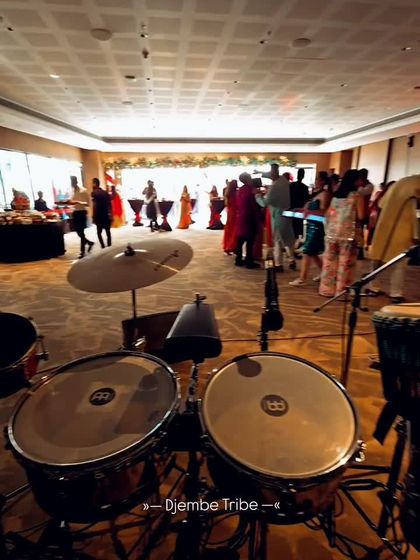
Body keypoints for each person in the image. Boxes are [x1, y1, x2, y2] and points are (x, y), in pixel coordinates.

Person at [369, 176, 420, 303]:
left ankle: (373, 287)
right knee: (399, 263)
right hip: (402, 230)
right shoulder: (412, 196)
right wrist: (416, 235)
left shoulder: (394, 188)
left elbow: (381, 204)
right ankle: (395, 293)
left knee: (377, 259)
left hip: (384, 227)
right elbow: (413, 216)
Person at [319, 169, 365, 297]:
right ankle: (341, 291)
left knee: (329, 264)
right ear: (355, 181)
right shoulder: (357, 196)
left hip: (332, 234)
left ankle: (327, 290)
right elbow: (361, 216)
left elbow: (328, 213)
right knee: (345, 264)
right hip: (348, 235)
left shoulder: (335, 196)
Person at [289, 178, 329, 287]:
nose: (316, 181)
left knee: (307, 251)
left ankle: (302, 278)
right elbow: (307, 209)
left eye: (318, 179)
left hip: (317, 227)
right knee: (313, 253)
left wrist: (308, 212)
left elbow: (324, 212)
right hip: (310, 225)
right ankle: (324, 273)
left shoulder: (324, 194)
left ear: (323, 181)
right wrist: (298, 210)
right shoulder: (315, 193)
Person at [255, 163, 296, 271]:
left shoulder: (275, 186)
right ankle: (292, 260)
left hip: (277, 216)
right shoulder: (284, 181)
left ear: (274, 172)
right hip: (286, 213)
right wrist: (260, 173)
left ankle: (278, 264)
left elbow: (265, 203)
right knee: (287, 239)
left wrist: (257, 196)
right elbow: (270, 175)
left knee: (277, 240)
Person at [235, 173, 260, 269]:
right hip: (250, 216)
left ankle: (238, 259)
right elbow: (254, 204)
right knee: (250, 240)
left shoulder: (240, 190)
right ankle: (249, 261)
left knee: (240, 239)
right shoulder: (251, 189)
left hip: (241, 215)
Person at [67, 176, 94, 259]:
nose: (72, 183)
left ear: (76, 181)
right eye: (71, 181)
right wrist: (68, 203)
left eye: (73, 181)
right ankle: (89, 243)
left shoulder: (83, 191)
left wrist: (78, 202)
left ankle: (82, 251)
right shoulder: (72, 192)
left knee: (81, 232)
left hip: (82, 212)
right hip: (75, 213)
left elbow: (88, 204)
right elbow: (71, 202)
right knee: (78, 232)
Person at [91, 177, 112, 248]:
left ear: (95, 184)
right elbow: (109, 204)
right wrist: (110, 213)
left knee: (99, 232)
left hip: (98, 214)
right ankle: (109, 244)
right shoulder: (105, 192)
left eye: (92, 183)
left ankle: (103, 245)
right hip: (106, 213)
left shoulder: (94, 193)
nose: (92, 185)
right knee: (107, 231)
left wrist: (93, 216)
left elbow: (94, 205)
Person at [289, 168, 310, 240]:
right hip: (300, 210)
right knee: (298, 229)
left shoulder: (291, 185)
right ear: (303, 176)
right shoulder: (305, 187)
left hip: (292, 209)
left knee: (291, 228)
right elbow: (306, 200)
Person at [222, 180, 238, 254]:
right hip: (235, 213)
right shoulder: (236, 193)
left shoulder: (228, 194)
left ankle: (228, 246)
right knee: (234, 230)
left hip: (230, 213)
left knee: (229, 229)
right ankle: (232, 246)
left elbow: (226, 204)